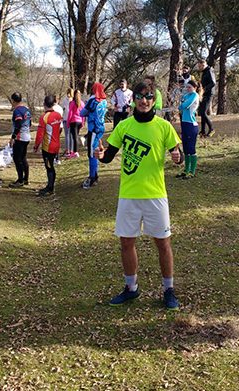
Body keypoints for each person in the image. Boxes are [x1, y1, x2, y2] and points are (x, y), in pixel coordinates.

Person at [94, 81, 183, 310]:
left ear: (154, 100)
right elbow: (108, 155)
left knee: (163, 243)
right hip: (129, 195)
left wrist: (178, 157)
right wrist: (101, 154)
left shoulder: (164, 127)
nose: (145, 101)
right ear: (134, 100)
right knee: (127, 242)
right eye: (141, 96)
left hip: (155, 195)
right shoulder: (124, 126)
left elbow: (178, 153)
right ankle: (131, 288)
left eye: (149, 96)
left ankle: (168, 290)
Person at [80, 82, 107, 189]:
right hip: (100, 128)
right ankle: (94, 175)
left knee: (92, 154)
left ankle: (92, 177)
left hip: (93, 129)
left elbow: (82, 113)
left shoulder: (92, 100)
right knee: (95, 150)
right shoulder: (104, 101)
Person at [33, 95, 62, 196]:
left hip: (48, 146)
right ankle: (50, 187)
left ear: (44, 104)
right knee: (51, 165)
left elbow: (40, 134)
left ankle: (50, 188)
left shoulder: (44, 117)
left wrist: (36, 146)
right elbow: (59, 129)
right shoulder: (58, 115)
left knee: (49, 166)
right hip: (56, 144)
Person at [177, 80, 200, 179]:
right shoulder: (186, 95)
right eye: (187, 87)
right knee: (186, 148)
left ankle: (192, 171)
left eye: (190, 87)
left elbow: (184, 105)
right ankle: (186, 170)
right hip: (184, 124)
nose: (188, 89)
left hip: (191, 125)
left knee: (191, 149)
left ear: (194, 87)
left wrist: (181, 105)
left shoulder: (195, 95)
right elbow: (181, 102)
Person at [9, 92, 32, 188]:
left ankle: (20, 180)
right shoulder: (26, 109)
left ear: (13, 101)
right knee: (23, 158)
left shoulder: (17, 111)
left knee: (17, 159)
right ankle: (26, 178)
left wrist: (13, 137)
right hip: (27, 136)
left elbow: (18, 124)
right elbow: (29, 123)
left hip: (20, 138)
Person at [198, 59, 216, 137]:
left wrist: (205, 89)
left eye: (200, 66)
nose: (199, 68)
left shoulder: (209, 71)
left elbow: (213, 82)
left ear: (203, 65)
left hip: (208, 94)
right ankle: (202, 131)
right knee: (202, 112)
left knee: (203, 112)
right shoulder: (204, 72)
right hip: (203, 94)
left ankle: (212, 129)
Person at [66, 89, 85, 158]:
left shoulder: (72, 103)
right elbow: (83, 114)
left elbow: (70, 113)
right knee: (76, 136)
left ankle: (75, 152)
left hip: (73, 121)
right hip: (79, 121)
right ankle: (75, 151)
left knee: (74, 137)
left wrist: (68, 122)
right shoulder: (82, 103)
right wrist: (82, 122)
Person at [61, 88, 74, 157]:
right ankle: (71, 150)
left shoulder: (65, 99)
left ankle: (67, 150)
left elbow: (62, 108)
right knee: (71, 135)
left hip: (66, 119)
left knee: (67, 135)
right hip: (72, 119)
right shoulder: (74, 99)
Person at [53, 96, 64, 164]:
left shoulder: (52, 108)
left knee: (53, 142)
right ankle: (57, 158)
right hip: (60, 126)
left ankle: (55, 157)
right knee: (57, 142)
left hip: (54, 126)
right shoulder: (60, 108)